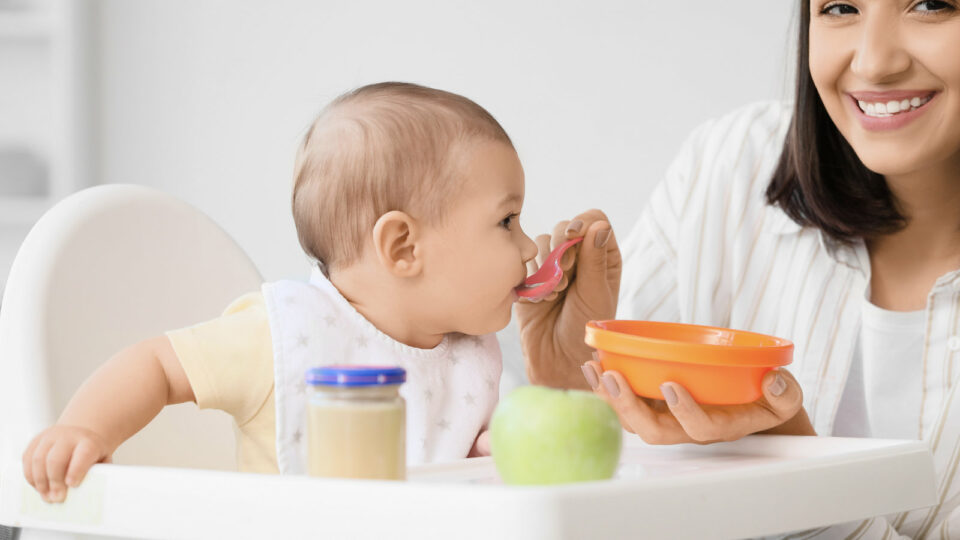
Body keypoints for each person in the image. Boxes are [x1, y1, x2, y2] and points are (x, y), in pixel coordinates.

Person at [518, 0, 960, 537]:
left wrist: (790, 462)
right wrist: (584, 393)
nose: (872, 62)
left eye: (932, 5)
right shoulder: (733, 163)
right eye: (840, 7)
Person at [22, 82, 539, 503]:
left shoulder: (471, 359)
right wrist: (84, 430)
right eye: (506, 220)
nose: (529, 245)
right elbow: (155, 364)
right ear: (403, 246)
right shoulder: (286, 336)